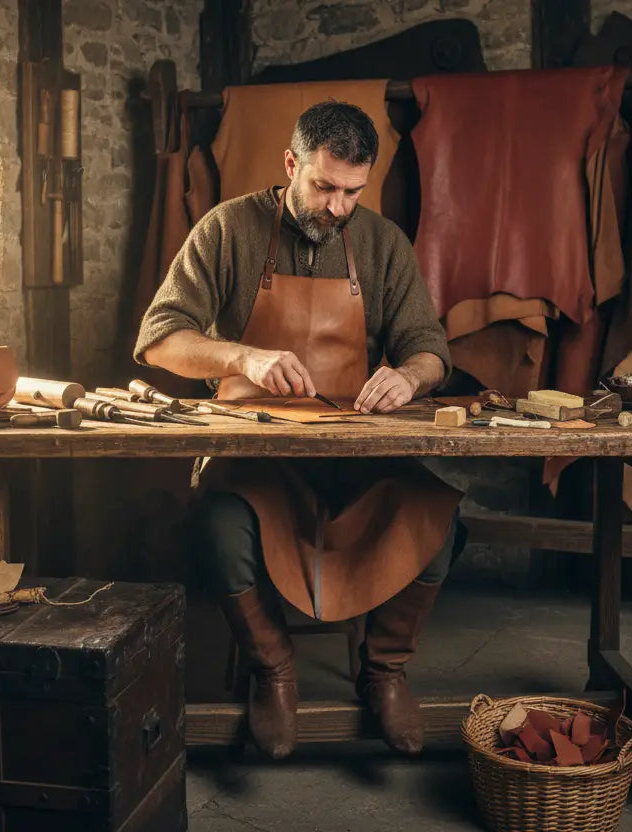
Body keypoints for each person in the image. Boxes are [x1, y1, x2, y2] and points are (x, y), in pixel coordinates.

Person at [135, 101, 462, 759]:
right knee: (219, 527)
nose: (337, 207)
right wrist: (241, 358)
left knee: (438, 516)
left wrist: (409, 376)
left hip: (354, 455)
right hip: (252, 458)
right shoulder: (227, 229)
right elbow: (159, 338)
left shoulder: (381, 243)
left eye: (352, 192)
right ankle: (273, 668)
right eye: (323, 186)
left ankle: (385, 670)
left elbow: (431, 349)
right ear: (291, 164)